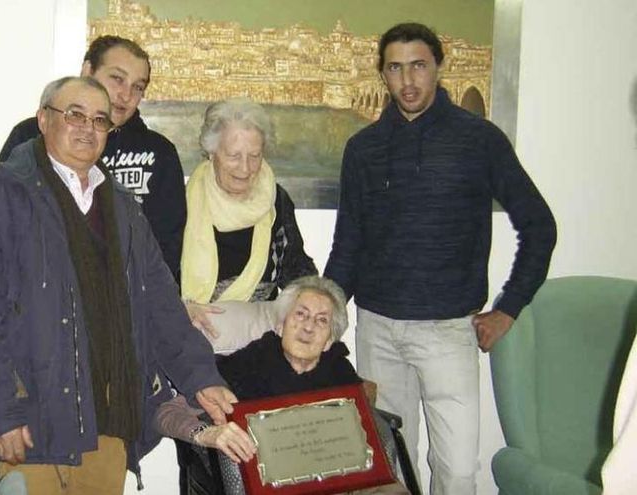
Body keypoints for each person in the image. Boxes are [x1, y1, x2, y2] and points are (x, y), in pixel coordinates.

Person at [0, 76, 236, 495]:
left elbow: (161, 306)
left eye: (100, 120)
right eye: (74, 115)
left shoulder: (121, 207)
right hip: (32, 428)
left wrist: (200, 376)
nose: (88, 128)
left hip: (110, 424)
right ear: (44, 120)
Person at [323, 22, 557, 495]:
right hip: (378, 329)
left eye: (418, 66)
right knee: (385, 470)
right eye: (395, 68)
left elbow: (539, 226)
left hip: (449, 332)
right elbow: (348, 242)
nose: (408, 81)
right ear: (382, 75)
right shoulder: (363, 149)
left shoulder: (479, 141)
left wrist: (508, 308)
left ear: (437, 68)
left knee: (455, 472)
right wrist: (325, 313)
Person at [155, 276, 408, 495]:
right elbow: (167, 413)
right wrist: (207, 434)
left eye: (321, 320)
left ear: (330, 340)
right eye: (300, 314)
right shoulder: (244, 366)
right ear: (280, 324)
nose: (308, 327)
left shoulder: (340, 370)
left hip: (340, 481)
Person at [0, 35, 185, 278]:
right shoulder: (34, 134)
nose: (125, 94)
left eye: (138, 87)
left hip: (124, 297)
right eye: (117, 78)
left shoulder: (160, 153)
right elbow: (2, 221)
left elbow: (166, 250)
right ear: (88, 71)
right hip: (40, 291)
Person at [181, 98, 316, 335]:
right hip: (193, 333)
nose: (245, 168)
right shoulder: (181, 202)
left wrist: (316, 303)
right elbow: (158, 274)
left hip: (257, 336)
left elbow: (295, 268)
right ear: (211, 153)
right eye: (233, 156)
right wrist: (182, 308)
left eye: (255, 156)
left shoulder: (276, 200)